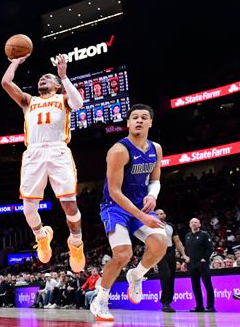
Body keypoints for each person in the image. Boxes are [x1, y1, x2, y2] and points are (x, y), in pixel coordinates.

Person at [1, 53, 86, 274]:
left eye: (48, 78)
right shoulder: (30, 101)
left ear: (57, 86)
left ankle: (76, 242)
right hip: (34, 153)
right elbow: (6, 83)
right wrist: (15, 62)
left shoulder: (63, 99)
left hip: (58, 151)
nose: (43, 79)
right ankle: (42, 236)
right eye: (41, 78)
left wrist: (64, 76)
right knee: (28, 209)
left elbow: (79, 103)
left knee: (69, 205)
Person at [89, 104, 167, 321]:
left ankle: (136, 275)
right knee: (123, 254)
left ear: (151, 122)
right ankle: (101, 299)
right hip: (115, 206)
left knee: (161, 243)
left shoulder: (156, 148)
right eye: (135, 117)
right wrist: (142, 216)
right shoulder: (118, 151)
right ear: (128, 123)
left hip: (139, 206)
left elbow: (155, 179)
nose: (139, 120)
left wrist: (152, 195)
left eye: (144, 117)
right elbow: (114, 191)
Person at [155, 209, 186, 313]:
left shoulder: (171, 226)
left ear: (165, 214)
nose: (159, 215)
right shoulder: (152, 226)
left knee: (171, 276)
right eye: (157, 214)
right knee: (166, 275)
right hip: (159, 252)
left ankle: (168, 301)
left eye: (161, 213)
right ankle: (165, 303)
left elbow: (177, 241)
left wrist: (184, 254)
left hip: (170, 251)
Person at [184, 218, 215, 312]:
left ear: (199, 224)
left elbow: (210, 249)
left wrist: (204, 259)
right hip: (192, 264)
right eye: (192, 222)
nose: (194, 223)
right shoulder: (187, 236)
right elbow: (186, 250)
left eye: (196, 222)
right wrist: (185, 260)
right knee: (195, 286)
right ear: (189, 225)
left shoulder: (204, 235)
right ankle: (199, 306)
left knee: (207, 285)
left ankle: (210, 306)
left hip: (202, 264)